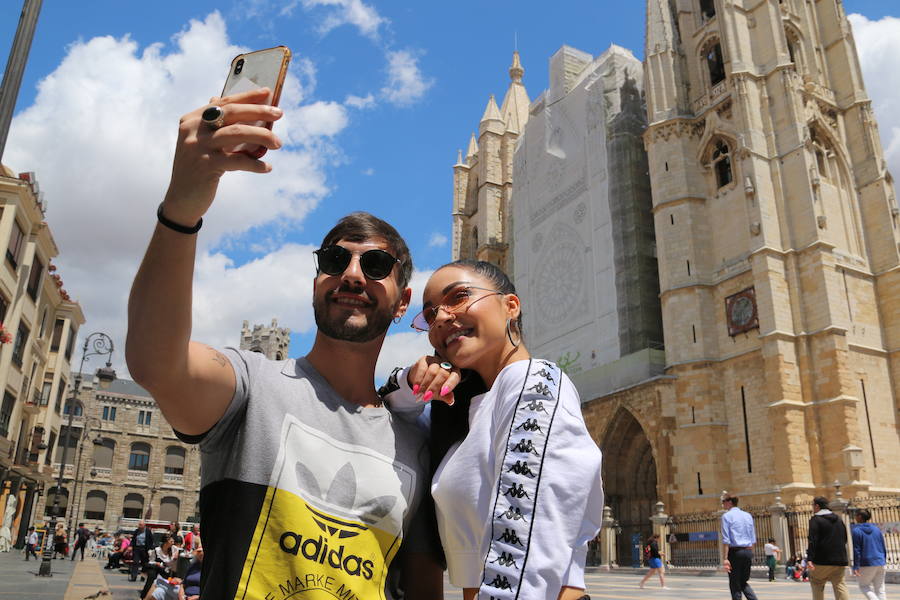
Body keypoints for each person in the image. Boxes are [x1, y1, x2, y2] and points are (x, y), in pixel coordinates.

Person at [127, 89, 437, 600]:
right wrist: (183, 205)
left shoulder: (414, 441)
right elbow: (156, 364)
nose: (353, 275)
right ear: (317, 280)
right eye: (334, 261)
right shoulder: (254, 387)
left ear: (403, 302)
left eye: (376, 266)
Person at [383, 259, 604, 600]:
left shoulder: (532, 382)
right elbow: (389, 416)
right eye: (429, 315)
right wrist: (415, 379)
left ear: (510, 305)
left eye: (458, 296)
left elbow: (524, 548)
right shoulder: (473, 410)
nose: (441, 317)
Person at [807, 496, 849, 600]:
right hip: (840, 559)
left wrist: (810, 558)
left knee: (817, 582)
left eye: (813, 505)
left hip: (822, 560)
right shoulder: (838, 519)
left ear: (817, 506)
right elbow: (845, 538)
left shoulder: (815, 519)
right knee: (840, 585)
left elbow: (813, 540)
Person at [720, 494, 758, 600]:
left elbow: (726, 539)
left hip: (735, 553)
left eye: (723, 502)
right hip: (748, 551)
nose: (722, 504)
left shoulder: (726, 516)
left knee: (735, 584)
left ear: (729, 502)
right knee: (743, 582)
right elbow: (752, 538)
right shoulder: (747, 515)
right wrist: (751, 554)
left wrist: (726, 558)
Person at [852, 508, 886, 600]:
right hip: (880, 561)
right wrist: (884, 559)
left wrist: (856, 566)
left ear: (859, 517)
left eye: (856, 515)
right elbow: (883, 545)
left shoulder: (857, 531)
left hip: (867, 562)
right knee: (880, 589)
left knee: (864, 586)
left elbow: (857, 550)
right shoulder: (877, 529)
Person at [141, 533, 180, 600]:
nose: (172, 543)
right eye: (171, 541)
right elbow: (151, 561)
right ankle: (145, 595)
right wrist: (157, 563)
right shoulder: (157, 550)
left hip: (170, 569)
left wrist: (176, 557)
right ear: (166, 542)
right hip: (158, 569)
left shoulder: (175, 549)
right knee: (152, 575)